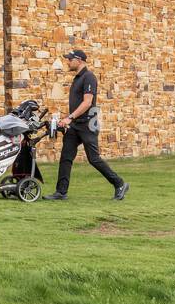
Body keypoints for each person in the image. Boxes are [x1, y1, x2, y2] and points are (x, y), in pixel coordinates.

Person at [44, 50, 129, 201]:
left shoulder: (89, 77)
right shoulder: (77, 78)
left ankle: (119, 183)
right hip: (75, 125)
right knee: (66, 157)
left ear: (79, 60)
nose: (68, 62)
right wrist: (68, 119)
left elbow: (87, 102)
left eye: (70, 59)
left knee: (93, 159)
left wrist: (69, 117)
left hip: (88, 125)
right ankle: (61, 192)